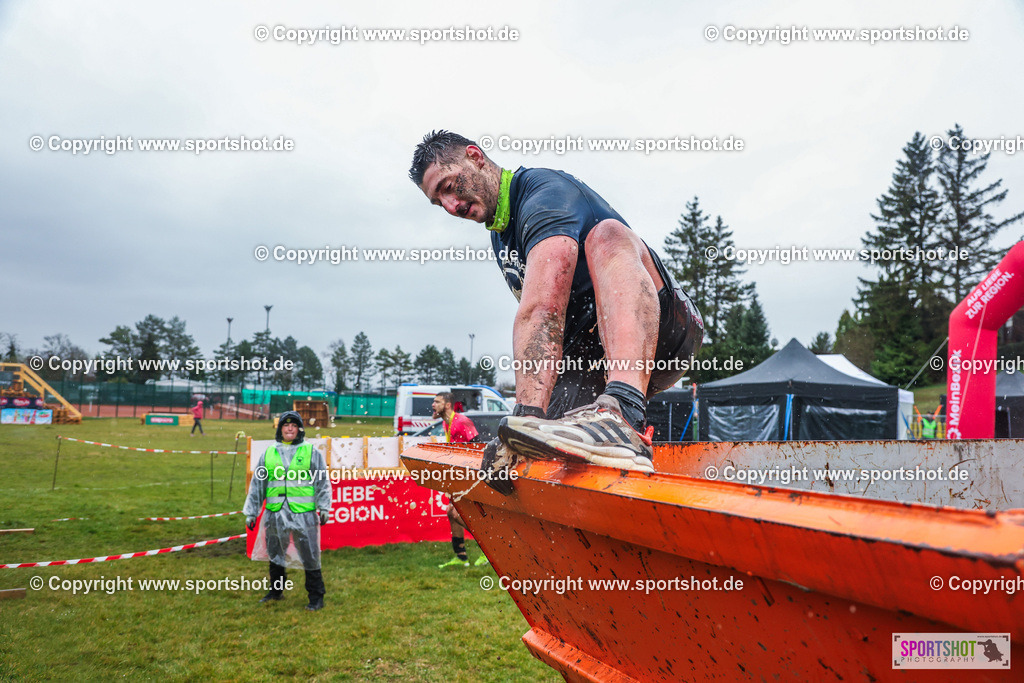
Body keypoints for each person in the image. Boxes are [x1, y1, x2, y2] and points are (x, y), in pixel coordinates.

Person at [410, 131, 703, 480]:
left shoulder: (544, 195)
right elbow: (547, 333)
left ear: (475, 157)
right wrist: (526, 434)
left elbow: (542, 310)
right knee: (547, 456)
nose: (451, 206)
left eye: (449, 186)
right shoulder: (499, 235)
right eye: (438, 202)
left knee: (608, 234)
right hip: (589, 356)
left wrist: (526, 415)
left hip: (666, 331)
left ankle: (623, 411)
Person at [243, 411, 331, 610]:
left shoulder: (310, 452)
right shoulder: (269, 453)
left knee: (309, 556)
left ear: (299, 429)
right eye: (285, 425)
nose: (289, 428)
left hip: (303, 513)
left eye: (294, 425)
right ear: (280, 429)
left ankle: (316, 597)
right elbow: (258, 484)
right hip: (275, 513)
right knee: (276, 554)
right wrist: (251, 512)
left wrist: (324, 506)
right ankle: (276, 592)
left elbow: (322, 481)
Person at [432, 392, 490, 568]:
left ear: (447, 405)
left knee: (456, 513)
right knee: (451, 513)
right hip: (458, 474)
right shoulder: (446, 422)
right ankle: (461, 557)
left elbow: (479, 447)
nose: (433, 405)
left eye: (437, 402)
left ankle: (489, 547)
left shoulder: (462, 421)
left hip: (470, 476)